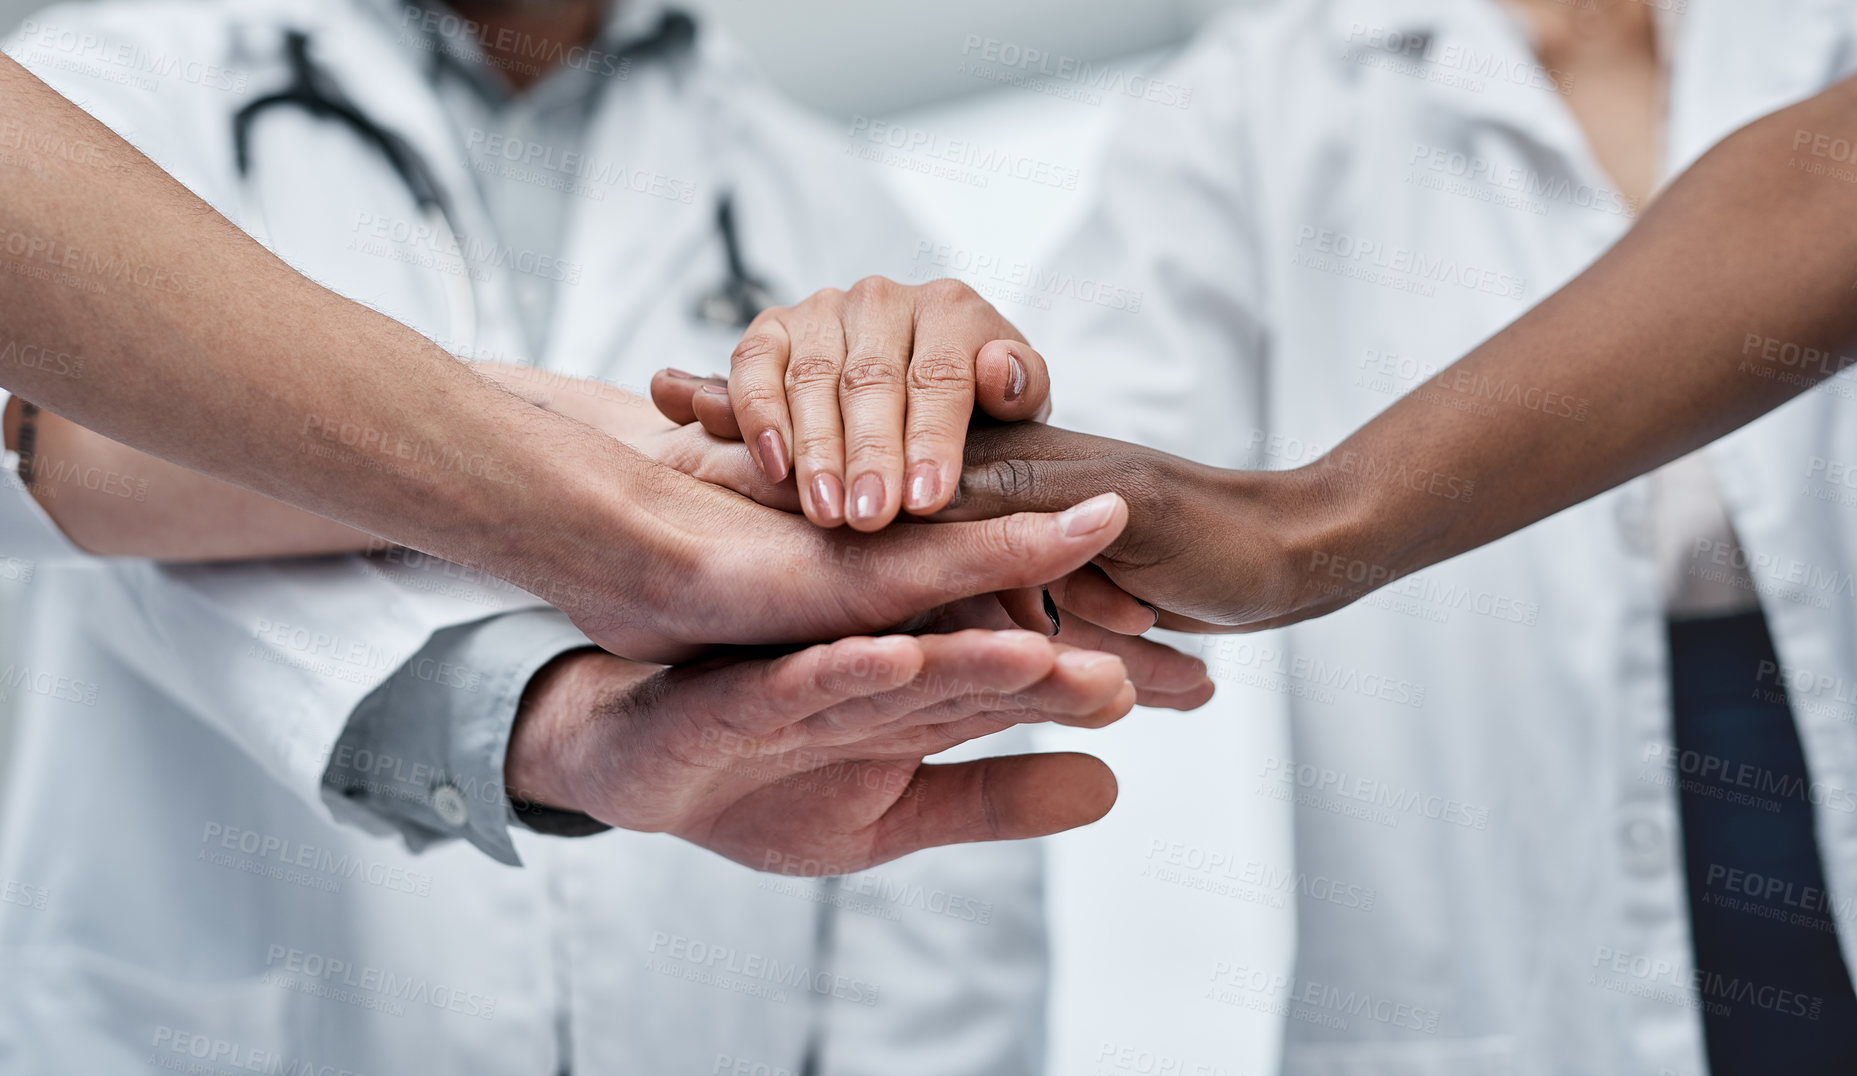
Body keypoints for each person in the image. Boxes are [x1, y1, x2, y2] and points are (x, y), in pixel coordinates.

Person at [0, 2, 1211, 1073]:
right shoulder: (109, 85)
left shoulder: (818, 190)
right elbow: (39, 467)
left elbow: (935, 756)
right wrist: (628, 512)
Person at [682, 1, 1857, 1071]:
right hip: (1503, 922)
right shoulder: (1259, 100)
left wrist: (1290, 526)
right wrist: (921, 396)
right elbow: (1097, 462)